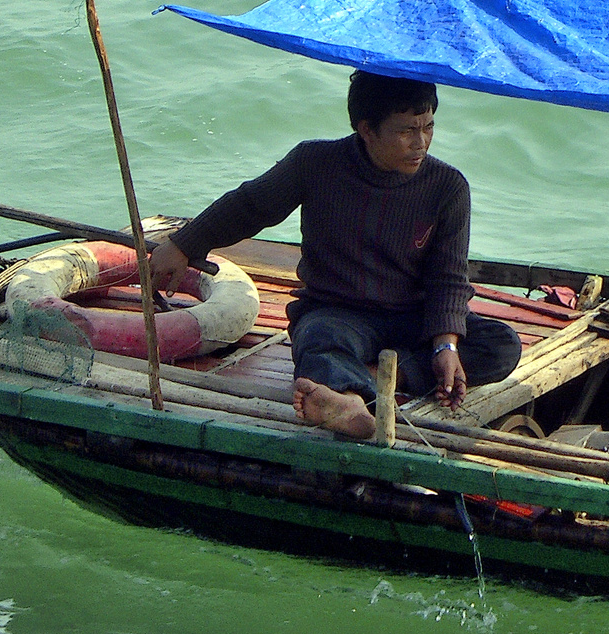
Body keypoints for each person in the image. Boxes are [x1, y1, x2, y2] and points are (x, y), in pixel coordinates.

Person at [149, 71, 522, 439]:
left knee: (501, 345)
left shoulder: (448, 186)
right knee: (317, 337)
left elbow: (449, 278)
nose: (421, 142)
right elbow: (251, 205)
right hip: (340, 312)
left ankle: (374, 376)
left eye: (428, 127)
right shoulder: (314, 163)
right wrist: (184, 244)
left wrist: (445, 345)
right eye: (407, 131)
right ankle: (346, 402)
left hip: (414, 317)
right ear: (367, 129)